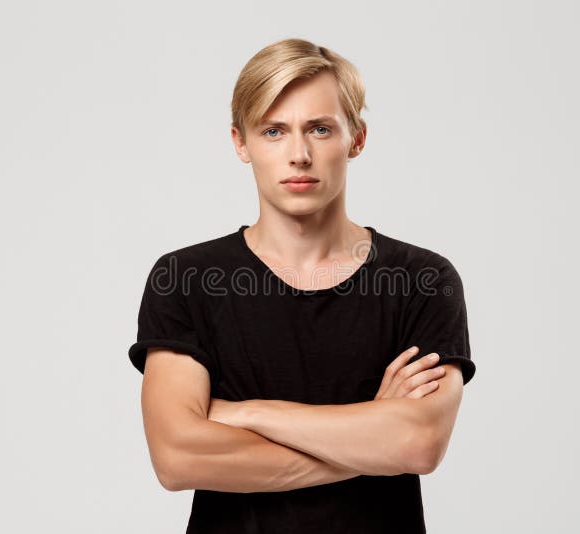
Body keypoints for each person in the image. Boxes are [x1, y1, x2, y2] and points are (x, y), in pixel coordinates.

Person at [127, 37, 475, 533]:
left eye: (320, 129)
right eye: (273, 130)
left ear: (356, 138)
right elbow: (178, 456)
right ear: (240, 143)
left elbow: (418, 444)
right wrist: (371, 434)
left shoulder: (423, 281)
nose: (299, 154)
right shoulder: (185, 279)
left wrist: (247, 413)